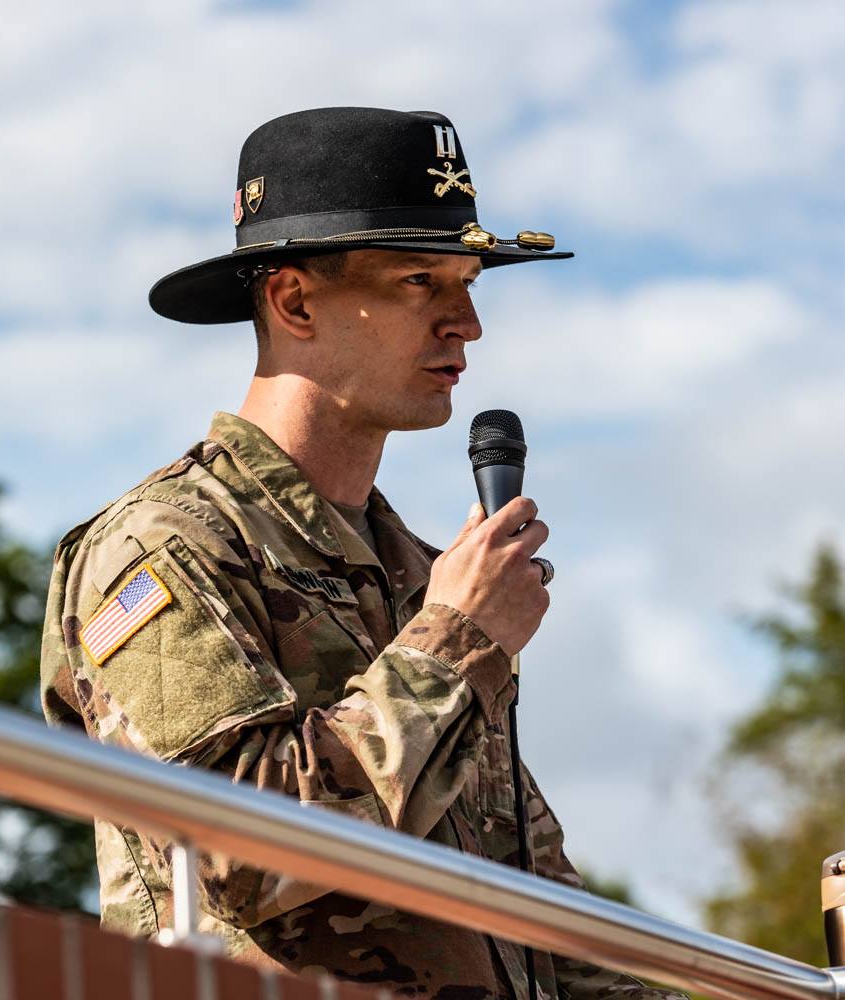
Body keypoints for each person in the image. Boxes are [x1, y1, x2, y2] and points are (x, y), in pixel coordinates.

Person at [41, 107, 683, 1000]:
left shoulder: (425, 573)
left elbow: (540, 914)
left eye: (468, 283)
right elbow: (235, 853)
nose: (468, 324)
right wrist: (455, 642)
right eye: (422, 280)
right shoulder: (163, 543)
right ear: (295, 302)